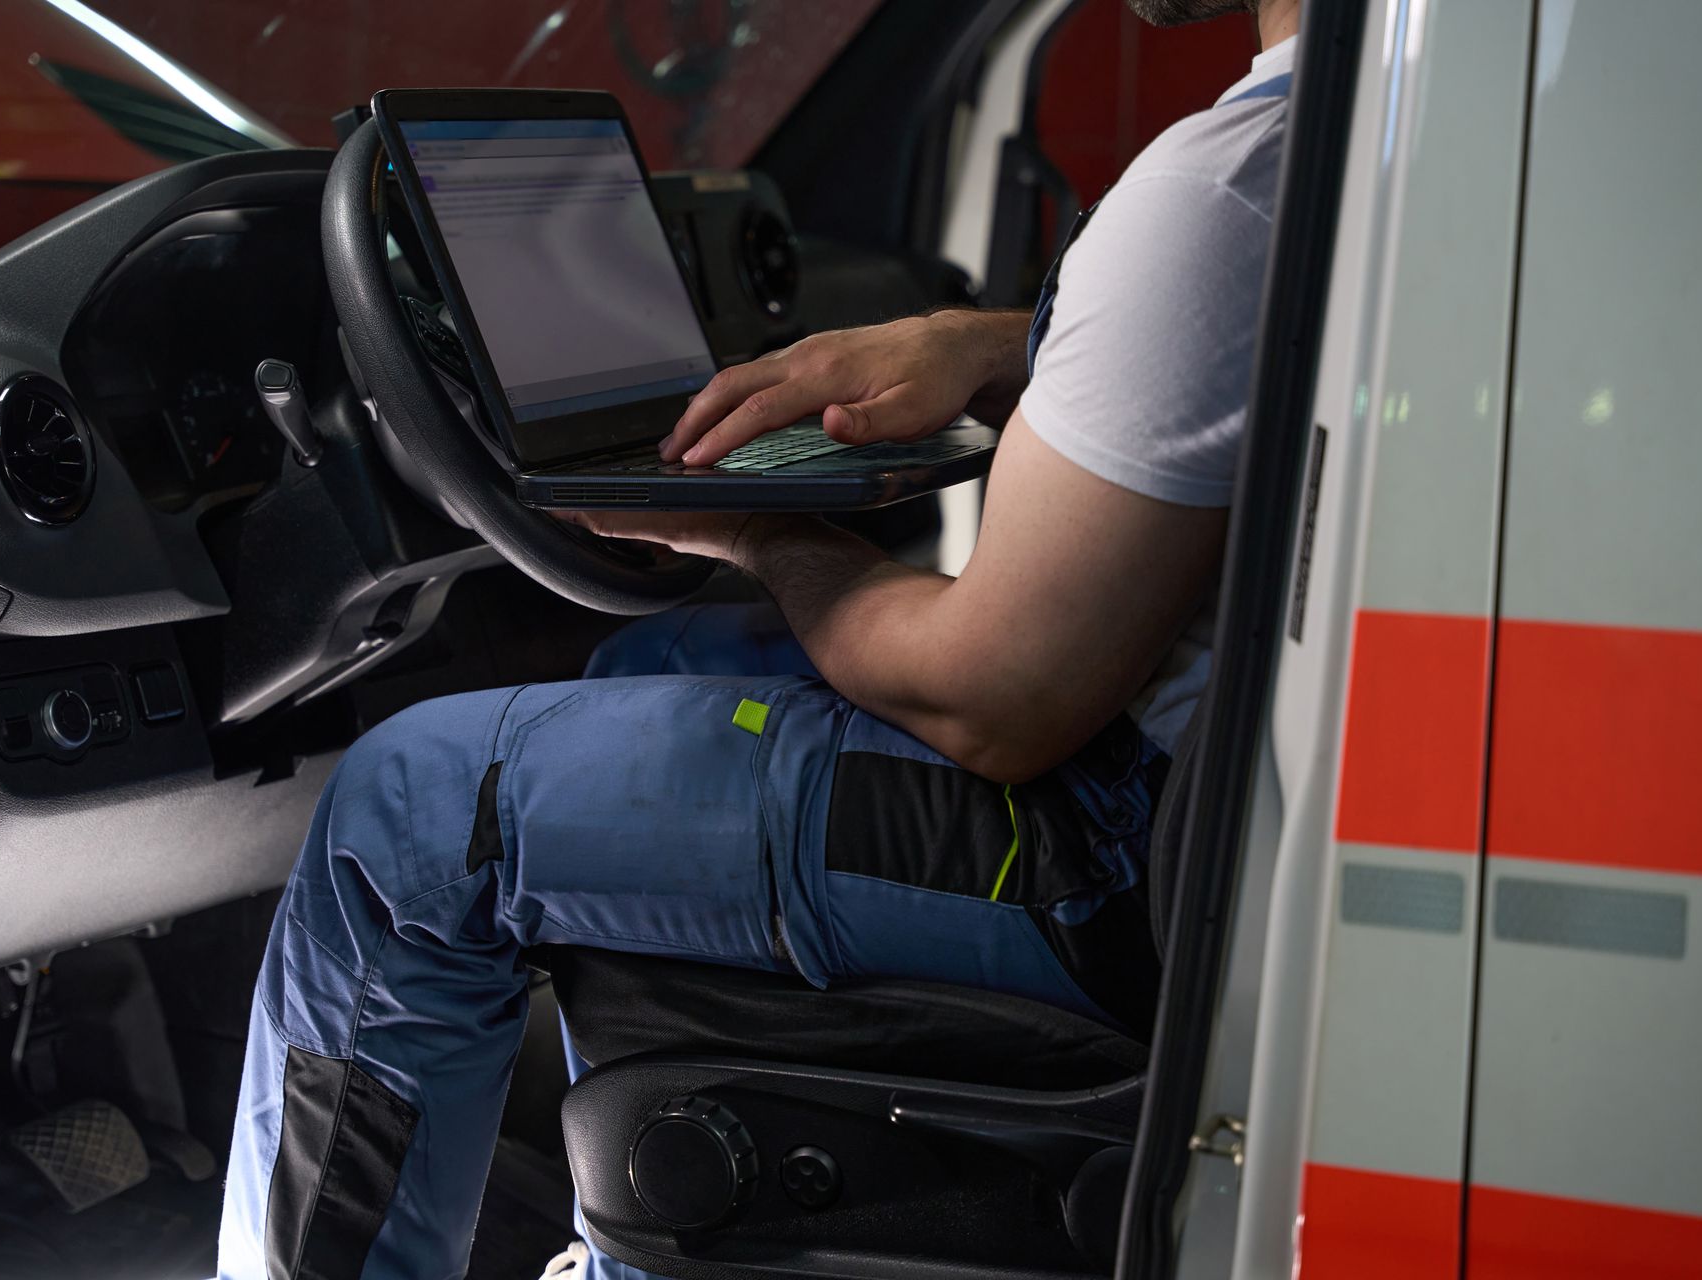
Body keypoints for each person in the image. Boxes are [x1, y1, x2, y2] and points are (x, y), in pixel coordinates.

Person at [216, 0, 1300, 1276]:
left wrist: (747, 524)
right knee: (650, 670)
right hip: (1216, 814)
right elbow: (1224, 345)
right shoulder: (1336, 160)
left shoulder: (1224, 187)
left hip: (1101, 857)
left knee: (408, 813)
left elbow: (992, 700)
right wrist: (987, 343)